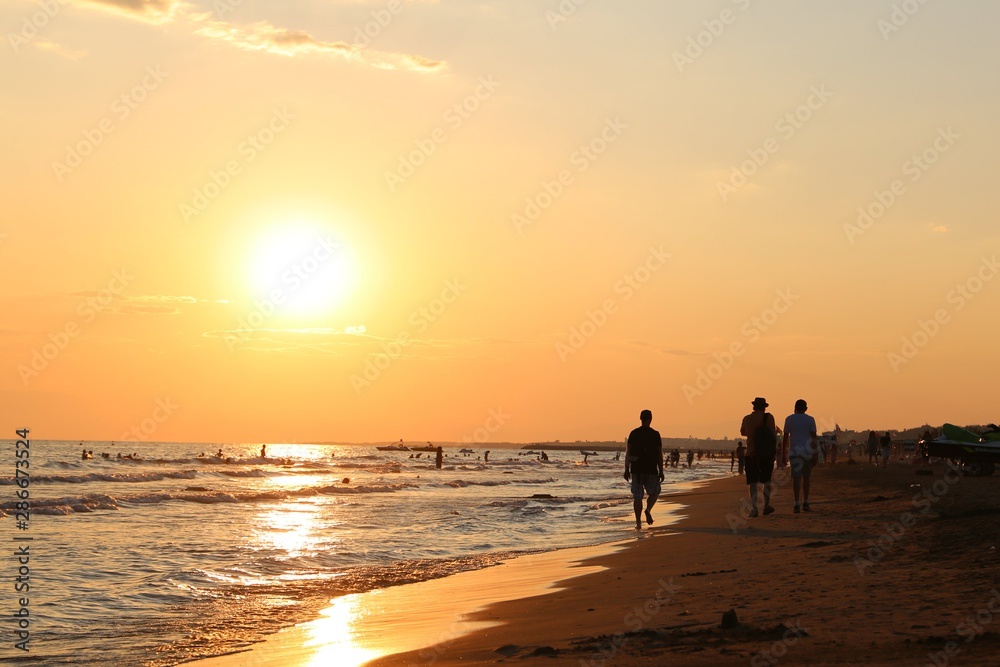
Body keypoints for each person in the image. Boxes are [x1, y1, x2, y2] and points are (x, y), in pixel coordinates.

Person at [624, 409, 665, 530]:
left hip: (636, 468)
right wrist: (661, 470)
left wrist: (626, 468)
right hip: (651, 468)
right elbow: (659, 454)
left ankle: (638, 523)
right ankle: (648, 510)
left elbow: (628, 452)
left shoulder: (634, 433)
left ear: (640, 418)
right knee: (655, 492)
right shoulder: (655, 434)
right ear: (650, 419)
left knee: (637, 497)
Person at [740, 397, 777, 517]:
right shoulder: (769, 417)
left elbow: (743, 432)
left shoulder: (747, 418)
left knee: (752, 482)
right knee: (766, 480)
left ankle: (754, 509)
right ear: (764, 407)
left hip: (751, 453)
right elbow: (773, 435)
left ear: (753, 406)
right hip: (766, 454)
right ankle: (766, 506)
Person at [783, 399, 818, 513]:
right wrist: (815, 453)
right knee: (806, 477)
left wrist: (784, 452)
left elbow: (785, 437)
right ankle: (806, 502)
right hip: (807, 452)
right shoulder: (810, 419)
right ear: (806, 408)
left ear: (795, 408)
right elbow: (813, 438)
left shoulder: (789, 419)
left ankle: (796, 503)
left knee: (796, 478)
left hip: (795, 452)